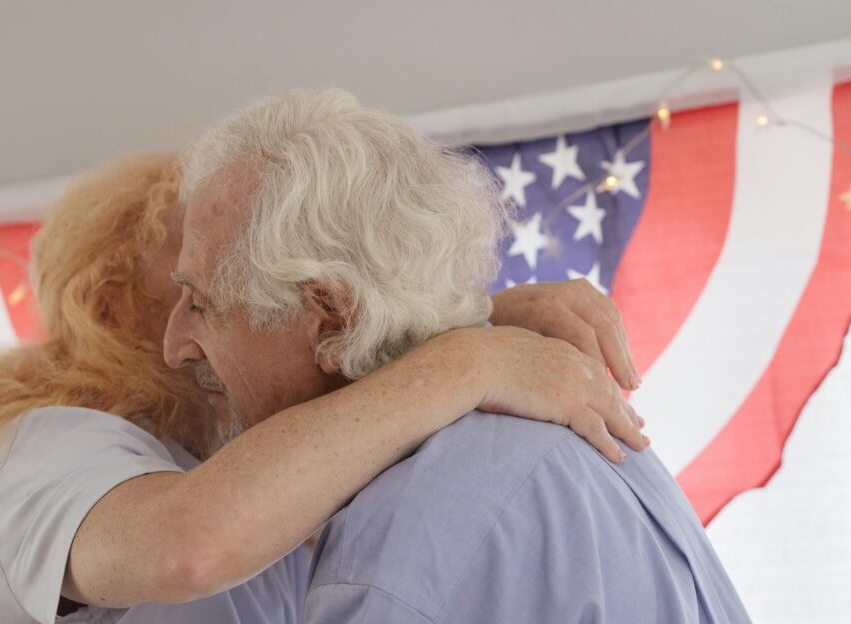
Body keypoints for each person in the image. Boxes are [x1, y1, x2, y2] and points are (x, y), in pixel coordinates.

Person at [0, 152, 649, 623]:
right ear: (110, 310)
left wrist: (475, 317)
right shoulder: (50, 443)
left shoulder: (241, 458)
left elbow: (321, 406)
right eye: (195, 286)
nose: (234, 308)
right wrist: (469, 359)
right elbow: (189, 545)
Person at [165, 89, 751, 623]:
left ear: (332, 322)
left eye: (202, 303)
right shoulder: (566, 425)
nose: (173, 347)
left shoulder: (397, 559)